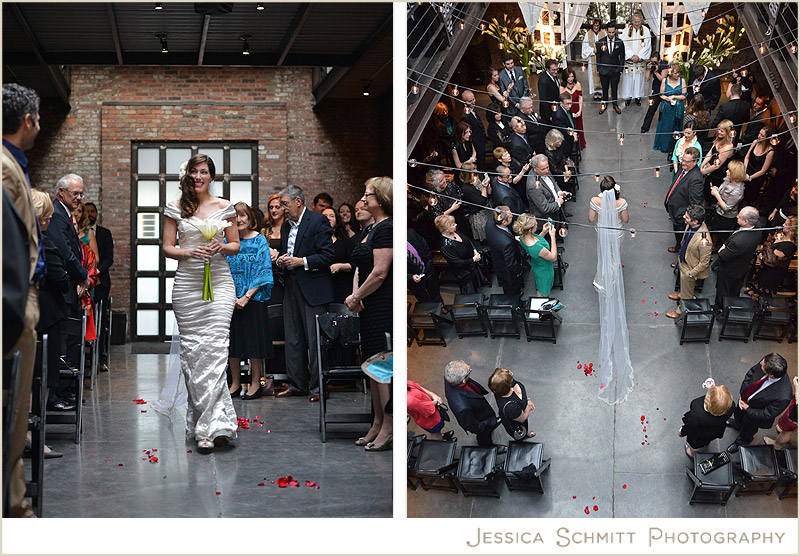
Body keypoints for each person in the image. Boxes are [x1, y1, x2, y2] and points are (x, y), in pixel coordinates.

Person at [159, 153, 239, 452]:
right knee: (194, 355)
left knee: (216, 351)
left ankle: (214, 426)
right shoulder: (176, 207)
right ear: (188, 175)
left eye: (203, 172)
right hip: (188, 286)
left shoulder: (224, 206)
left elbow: (235, 244)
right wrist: (189, 252)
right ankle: (202, 423)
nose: (198, 177)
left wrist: (221, 246)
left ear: (211, 176)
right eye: (194, 171)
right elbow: (167, 247)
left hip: (219, 284)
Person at [2, 83, 47, 517]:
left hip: (20, 302)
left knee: (14, 415)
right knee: (10, 414)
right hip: (11, 306)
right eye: (39, 118)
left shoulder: (14, 164)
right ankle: (12, 507)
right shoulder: (3, 167)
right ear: (27, 120)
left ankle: (15, 501)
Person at [345, 177, 393, 452]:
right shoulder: (373, 229)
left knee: (383, 368)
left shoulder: (387, 228)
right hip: (367, 304)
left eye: (368, 195)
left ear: (382, 199)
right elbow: (360, 268)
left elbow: (380, 272)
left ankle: (388, 425)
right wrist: (356, 295)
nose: (363, 200)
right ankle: (377, 421)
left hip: (381, 305)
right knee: (372, 366)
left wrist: (357, 296)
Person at [275, 185, 335, 402]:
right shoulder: (285, 227)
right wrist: (281, 258)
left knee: (314, 338)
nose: (283, 208)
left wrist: (302, 262)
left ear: (298, 202)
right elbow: (289, 252)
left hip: (313, 288)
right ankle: (296, 384)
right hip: (290, 285)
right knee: (293, 338)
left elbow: (328, 256)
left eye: (285, 204)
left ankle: (318, 388)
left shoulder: (317, 221)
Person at [224, 202, 273, 400]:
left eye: (243, 216)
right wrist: (232, 296)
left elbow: (264, 271)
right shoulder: (227, 242)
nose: (239, 219)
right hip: (230, 298)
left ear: (250, 218)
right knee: (232, 344)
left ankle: (255, 383)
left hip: (253, 299)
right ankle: (235, 383)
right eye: (235, 216)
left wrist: (246, 296)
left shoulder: (259, 240)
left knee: (254, 345)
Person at [29, 190, 65, 459]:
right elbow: (55, 274)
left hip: (34, 312)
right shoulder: (40, 240)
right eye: (47, 217)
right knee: (39, 378)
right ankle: (32, 436)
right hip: (42, 313)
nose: (50, 221)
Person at [593, 184, 634, 405]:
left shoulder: (595, 201)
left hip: (602, 233)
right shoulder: (622, 203)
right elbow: (626, 221)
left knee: (604, 258)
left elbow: (591, 219)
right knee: (614, 257)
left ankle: (605, 278)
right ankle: (613, 278)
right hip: (616, 234)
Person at [726, 353, 793, 452]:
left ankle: (742, 441)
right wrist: (743, 393)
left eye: (762, 366)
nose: (760, 364)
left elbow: (766, 414)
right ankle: (737, 424)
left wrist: (747, 409)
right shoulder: (766, 362)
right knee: (738, 415)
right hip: (744, 401)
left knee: (748, 430)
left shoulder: (784, 396)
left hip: (754, 415)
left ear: (771, 375)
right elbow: (750, 374)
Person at [665, 205, 712, 319]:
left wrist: (691, 273)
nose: (683, 218)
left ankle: (680, 310)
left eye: (686, 217)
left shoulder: (704, 240)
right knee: (684, 287)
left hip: (690, 268)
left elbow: (704, 262)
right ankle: (681, 294)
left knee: (688, 293)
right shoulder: (690, 225)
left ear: (695, 221)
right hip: (684, 260)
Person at [443, 360, 501, 447]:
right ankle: (486, 445)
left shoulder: (450, 377)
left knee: (490, 422)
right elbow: (471, 424)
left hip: (478, 407)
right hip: (481, 420)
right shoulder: (462, 407)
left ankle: (491, 423)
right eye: (469, 370)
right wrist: (483, 427)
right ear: (463, 381)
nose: (470, 367)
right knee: (483, 435)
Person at [714, 206, 761, 311]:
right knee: (735, 289)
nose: (736, 217)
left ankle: (720, 308)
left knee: (723, 290)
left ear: (746, 221)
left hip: (729, 270)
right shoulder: (757, 225)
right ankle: (732, 305)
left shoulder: (738, 242)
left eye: (739, 217)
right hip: (742, 266)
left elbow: (722, 256)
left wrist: (723, 247)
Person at [84, 202, 113, 373]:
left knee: (100, 322)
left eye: (92, 211)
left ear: (97, 213)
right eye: (86, 211)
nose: (90, 214)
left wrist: (96, 272)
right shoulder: (78, 232)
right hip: (84, 282)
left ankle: (100, 358)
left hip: (100, 282)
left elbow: (109, 258)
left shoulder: (104, 233)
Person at [664, 147, 704, 253]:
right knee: (677, 234)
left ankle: (680, 257)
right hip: (675, 210)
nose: (683, 163)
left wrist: (685, 217)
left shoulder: (696, 179)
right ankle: (678, 246)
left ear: (695, 161)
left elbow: (695, 202)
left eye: (687, 161)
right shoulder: (684, 168)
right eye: (683, 159)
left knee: (683, 237)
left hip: (681, 215)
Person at [678, 383, 734, 458]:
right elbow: (719, 403)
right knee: (706, 440)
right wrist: (713, 390)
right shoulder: (731, 407)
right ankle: (704, 445)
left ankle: (691, 452)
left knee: (695, 444)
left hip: (699, 434)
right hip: (715, 430)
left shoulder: (697, 413)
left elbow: (690, 426)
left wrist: (682, 432)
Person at [749, 215, 797, 298]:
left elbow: (771, 260)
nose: (783, 225)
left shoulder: (790, 246)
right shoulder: (782, 235)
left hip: (773, 273)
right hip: (765, 269)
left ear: (791, 229)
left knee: (764, 293)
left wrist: (774, 243)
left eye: (785, 224)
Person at [436, 214, 482, 293]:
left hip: (472, 265)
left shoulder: (455, 231)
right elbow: (457, 262)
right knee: (470, 293)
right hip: (464, 272)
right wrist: (473, 259)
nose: (456, 225)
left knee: (476, 284)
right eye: (453, 224)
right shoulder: (445, 246)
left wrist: (474, 251)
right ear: (446, 229)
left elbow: (467, 240)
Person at [514, 213, 556, 297]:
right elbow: (553, 257)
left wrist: (543, 232)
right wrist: (553, 237)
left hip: (537, 265)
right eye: (535, 224)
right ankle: (542, 307)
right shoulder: (536, 248)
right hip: (545, 270)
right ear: (530, 229)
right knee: (543, 291)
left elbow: (537, 241)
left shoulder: (523, 236)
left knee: (541, 287)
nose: (537, 224)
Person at [485, 206, 524, 296]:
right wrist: (519, 270)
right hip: (507, 271)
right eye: (510, 217)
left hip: (498, 261)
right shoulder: (506, 243)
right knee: (512, 290)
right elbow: (511, 263)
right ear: (504, 222)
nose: (512, 216)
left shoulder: (489, 223)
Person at [488, 367, 536, 440]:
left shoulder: (499, 387)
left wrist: (527, 400)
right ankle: (524, 436)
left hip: (516, 412)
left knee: (525, 426)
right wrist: (528, 406)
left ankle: (526, 432)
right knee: (520, 431)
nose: (510, 372)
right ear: (508, 385)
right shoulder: (510, 407)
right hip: (514, 422)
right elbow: (522, 418)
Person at [709, 160, 746, 251]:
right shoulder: (728, 180)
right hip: (718, 212)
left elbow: (727, 208)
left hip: (727, 217)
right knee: (715, 229)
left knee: (722, 233)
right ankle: (713, 244)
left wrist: (716, 195)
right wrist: (717, 190)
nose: (726, 171)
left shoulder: (737, 191)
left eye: (729, 170)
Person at [322, 207, 357, 304]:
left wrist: (340, 266)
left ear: (337, 219)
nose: (328, 218)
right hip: (322, 288)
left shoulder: (345, 241)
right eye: (325, 216)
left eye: (331, 216)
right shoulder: (316, 241)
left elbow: (355, 265)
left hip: (342, 287)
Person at [700, 119, 735, 205]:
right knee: (706, 195)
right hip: (710, 172)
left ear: (727, 132)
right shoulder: (718, 140)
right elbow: (710, 153)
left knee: (712, 199)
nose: (719, 132)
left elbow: (717, 165)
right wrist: (702, 165)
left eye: (722, 131)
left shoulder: (728, 146)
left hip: (719, 176)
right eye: (718, 129)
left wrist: (703, 171)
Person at [526, 154, 569, 226]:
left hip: (555, 214)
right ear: (535, 168)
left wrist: (559, 192)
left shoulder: (544, 170)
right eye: (543, 169)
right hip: (546, 222)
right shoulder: (533, 185)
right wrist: (558, 203)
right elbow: (544, 208)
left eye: (547, 167)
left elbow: (553, 183)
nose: (546, 171)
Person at [653, 62, 686, 153]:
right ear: (670, 73)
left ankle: (675, 147)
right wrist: (667, 98)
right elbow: (661, 94)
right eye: (675, 73)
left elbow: (684, 95)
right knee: (665, 126)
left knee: (676, 126)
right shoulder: (665, 81)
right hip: (667, 107)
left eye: (678, 73)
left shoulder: (682, 81)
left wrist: (674, 96)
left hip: (678, 107)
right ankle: (664, 146)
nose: (677, 75)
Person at [620, 10, 651, 106]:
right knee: (628, 80)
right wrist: (631, 55)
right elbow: (623, 44)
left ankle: (638, 97)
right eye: (635, 21)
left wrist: (639, 56)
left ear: (641, 21)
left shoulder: (645, 31)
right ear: (632, 21)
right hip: (630, 61)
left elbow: (647, 45)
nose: (637, 23)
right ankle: (628, 97)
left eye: (639, 21)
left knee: (639, 80)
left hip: (639, 61)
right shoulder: (626, 31)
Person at [426, 169, 467, 237]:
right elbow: (437, 217)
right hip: (448, 223)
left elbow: (459, 192)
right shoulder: (434, 197)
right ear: (435, 185)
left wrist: (459, 201)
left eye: (444, 177)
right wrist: (452, 209)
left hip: (459, 214)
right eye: (441, 180)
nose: (445, 180)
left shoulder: (449, 183)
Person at [596, 21, 625, 114]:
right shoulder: (600, 42)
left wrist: (619, 69)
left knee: (614, 88)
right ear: (606, 31)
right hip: (603, 71)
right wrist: (599, 69)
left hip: (615, 71)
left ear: (615, 31)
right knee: (604, 89)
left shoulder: (619, 42)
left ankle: (615, 104)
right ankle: (604, 104)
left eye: (613, 32)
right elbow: (598, 57)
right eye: (609, 32)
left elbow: (622, 57)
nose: (611, 34)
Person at [742, 125, 775, 207]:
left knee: (750, 197)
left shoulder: (770, 152)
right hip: (747, 171)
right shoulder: (755, 142)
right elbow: (747, 157)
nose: (759, 136)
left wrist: (750, 178)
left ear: (767, 138)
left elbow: (763, 171)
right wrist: (744, 171)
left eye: (762, 135)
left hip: (756, 177)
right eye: (759, 133)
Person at [458, 162, 492, 242]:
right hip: (480, 216)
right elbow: (481, 202)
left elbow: (490, 193)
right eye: (473, 171)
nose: (476, 171)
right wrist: (484, 187)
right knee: (487, 239)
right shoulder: (466, 188)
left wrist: (488, 185)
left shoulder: (478, 177)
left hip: (488, 211)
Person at [763, 376, 798, 449]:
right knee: (786, 426)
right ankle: (783, 429)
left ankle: (777, 444)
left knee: (787, 432)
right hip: (794, 411)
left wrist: (797, 389)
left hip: (795, 415)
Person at [407, 228, 442, 303]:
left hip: (427, 268)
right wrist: (410, 277)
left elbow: (424, 244)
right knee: (423, 298)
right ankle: (430, 312)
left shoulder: (411, 233)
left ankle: (440, 306)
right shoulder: (388, 248)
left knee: (434, 290)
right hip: (414, 278)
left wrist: (429, 260)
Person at [263, 193, 285, 305]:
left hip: (285, 275)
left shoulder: (290, 229)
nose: (274, 210)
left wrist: (278, 257)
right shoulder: (264, 231)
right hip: (269, 274)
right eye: (271, 207)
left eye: (277, 207)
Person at [640, 53, 669, 133]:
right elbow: (646, 79)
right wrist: (648, 69)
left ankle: (664, 128)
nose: (653, 63)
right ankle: (645, 127)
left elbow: (663, 79)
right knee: (651, 109)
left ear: (659, 61)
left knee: (665, 110)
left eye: (655, 62)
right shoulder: (651, 66)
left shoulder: (664, 65)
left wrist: (656, 72)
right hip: (656, 90)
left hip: (665, 91)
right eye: (652, 61)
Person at [544, 129, 575, 198]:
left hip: (562, 168)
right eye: (558, 142)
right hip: (557, 174)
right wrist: (565, 173)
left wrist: (566, 169)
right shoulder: (549, 153)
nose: (560, 143)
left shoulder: (557, 147)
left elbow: (563, 158)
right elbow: (554, 170)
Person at [461, 90, 487, 171]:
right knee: (481, 167)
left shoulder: (473, 110)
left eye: (473, 99)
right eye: (470, 101)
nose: (473, 102)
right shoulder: (465, 116)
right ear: (464, 102)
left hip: (481, 141)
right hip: (476, 145)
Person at [560, 67, 586, 150]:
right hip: (568, 110)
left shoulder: (577, 84)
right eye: (568, 77)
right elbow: (562, 101)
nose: (570, 79)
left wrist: (580, 110)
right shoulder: (562, 87)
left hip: (576, 108)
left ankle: (581, 144)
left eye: (572, 76)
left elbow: (580, 98)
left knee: (579, 127)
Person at [581, 18, 606, 100]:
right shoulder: (588, 34)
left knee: (602, 74)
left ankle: (601, 92)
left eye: (598, 25)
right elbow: (585, 47)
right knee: (593, 76)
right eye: (595, 25)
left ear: (600, 25)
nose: (596, 27)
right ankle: (595, 92)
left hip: (602, 58)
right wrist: (592, 50)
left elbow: (606, 44)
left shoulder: (604, 33)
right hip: (592, 58)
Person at [551, 93, 577, 160]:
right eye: (567, 104)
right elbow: (564, 130)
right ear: (561, 103)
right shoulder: (558, 116)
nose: (570, 106)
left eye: (571, 103)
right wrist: (573, 135)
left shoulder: (566, 108)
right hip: (565, 139)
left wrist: (575, 132)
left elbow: (571, 120)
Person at [537, 59, 561, 125]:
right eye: (553, 70)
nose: (556, 72)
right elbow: (543, 99)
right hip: (548, 112)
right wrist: (549, 115)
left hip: (555, 108)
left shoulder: (553, 76)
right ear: (548, 69)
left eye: (557, 69)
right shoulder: (543, 81)